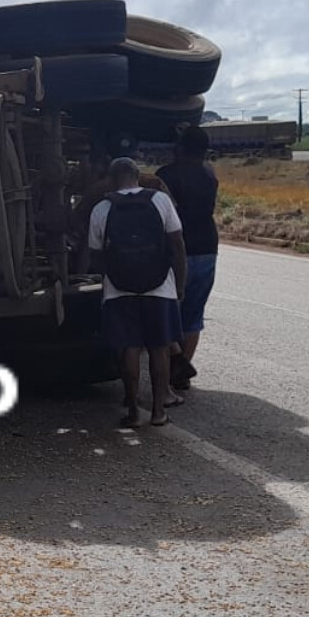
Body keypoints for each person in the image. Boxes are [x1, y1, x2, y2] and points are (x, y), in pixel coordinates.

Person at [87, 157, 187, 428]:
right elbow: (178, 245)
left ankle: (133, 411)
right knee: (159, 348)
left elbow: (95, 255)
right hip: (160, 287)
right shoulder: (160, 201)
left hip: (119, 290)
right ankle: (158, 412)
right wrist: (179, 284)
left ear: (111, 180)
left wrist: (112, 276)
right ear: (138, 176)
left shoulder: (102, 208)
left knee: (129, 348)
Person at [156, 126, 219, 391]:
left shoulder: (165, 175)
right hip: (207, 247)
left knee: (164, 312)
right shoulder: (210, 174)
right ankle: (181, 372)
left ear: (180, 147)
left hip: (175, 250)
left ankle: (170, 367)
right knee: (193, 315)